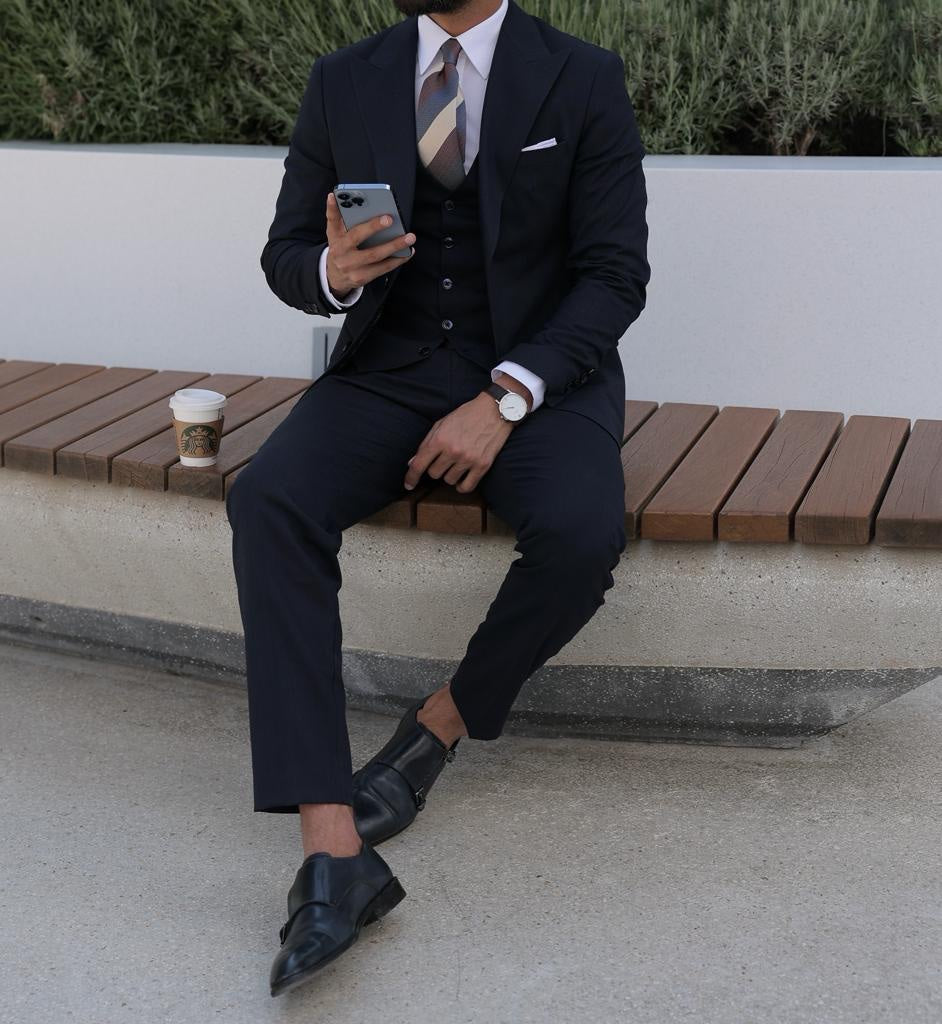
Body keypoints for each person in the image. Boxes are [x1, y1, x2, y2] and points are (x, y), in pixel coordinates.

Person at [225, 0, 649, 997]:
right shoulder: (345, 77)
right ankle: (333, 847)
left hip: (538, 379)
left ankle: (440, 727)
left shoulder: (582, 76)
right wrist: (331, 271)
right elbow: (286, 254)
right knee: (269, 501)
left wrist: (506, 398)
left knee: (582, 534)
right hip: (389, 368)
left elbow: (614, 275)